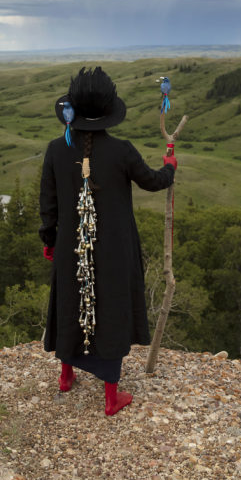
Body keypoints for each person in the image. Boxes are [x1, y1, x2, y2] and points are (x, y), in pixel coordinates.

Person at [39, 66, 177, 416]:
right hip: (115, 246)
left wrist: (49, 240)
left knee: (72, 298)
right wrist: (170, 166)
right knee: (110, 303)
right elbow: (152, 181)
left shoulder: (56, 150)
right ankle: (111, 398)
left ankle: (66, 376)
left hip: (71, 245)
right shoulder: (122, 151)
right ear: (108, 111)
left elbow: (48, 203)